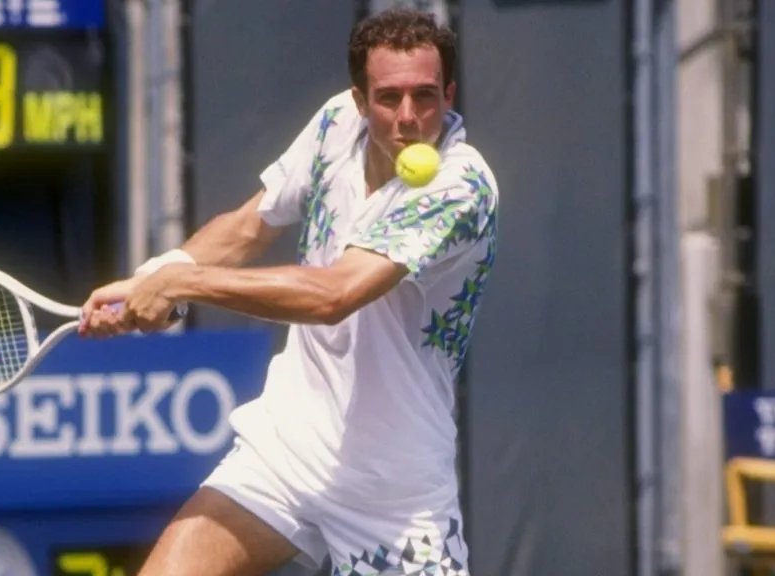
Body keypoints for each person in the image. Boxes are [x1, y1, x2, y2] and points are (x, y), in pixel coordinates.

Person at [80, 8, 498, 576]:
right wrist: (154, 275)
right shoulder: (334, 124)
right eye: (389, 97)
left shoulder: (461, 186)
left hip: (393, 493)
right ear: (358, 99)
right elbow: (250, 227)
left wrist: (182, 285)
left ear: (449, 94)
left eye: (425, 96)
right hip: (286, 454)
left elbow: (334, 296)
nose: (408, 117)